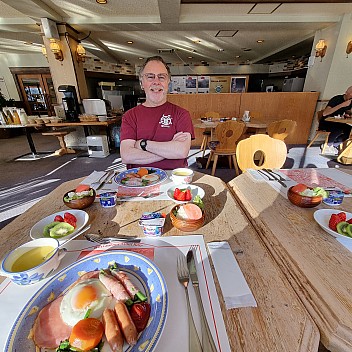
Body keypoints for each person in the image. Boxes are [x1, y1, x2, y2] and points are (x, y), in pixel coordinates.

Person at [120, 56, 194, 170]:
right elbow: (126, 156)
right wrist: (169, 151)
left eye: (161, 77)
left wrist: (143, 144)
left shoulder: (181, 114)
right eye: (150, 77)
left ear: (168, 82)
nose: (156, 82)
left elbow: (181, 151)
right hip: (138, 180)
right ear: (141, 82)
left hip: (174, 180)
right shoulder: (130, 116)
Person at [319, 86, 352, 154]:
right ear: (346, 93)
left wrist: (348, 114)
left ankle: (333, 145)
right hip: (326, 121)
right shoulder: (337, 99)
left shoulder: (350, 102)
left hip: (338, 122)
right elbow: (325, 113)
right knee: (339, 129)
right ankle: (328, 145)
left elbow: (347, 111)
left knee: (349, 130)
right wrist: (341, 105)